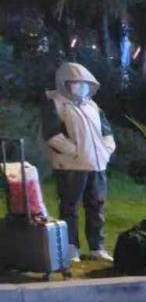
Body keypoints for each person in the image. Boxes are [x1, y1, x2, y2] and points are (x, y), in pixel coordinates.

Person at [43, 62, 116, 262]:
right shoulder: (55, 103)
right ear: (64, 82)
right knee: (70, 207)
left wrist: (107, 149)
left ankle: (97, 247)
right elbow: (52, 135)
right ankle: (71, 247)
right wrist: (74, 151)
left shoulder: (92, 105)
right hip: (70, 166)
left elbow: (106, 131)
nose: (80, 86)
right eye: (75, 82)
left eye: (84, 82)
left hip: (97, 165)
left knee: (97, 206)